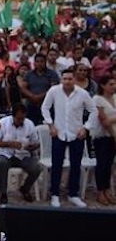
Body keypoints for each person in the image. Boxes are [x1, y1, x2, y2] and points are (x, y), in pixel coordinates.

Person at [41, 67, 97, 208]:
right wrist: (50, 125)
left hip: (76, 133)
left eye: (70, 79)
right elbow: (45, 107)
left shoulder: (82, 93)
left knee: (76, 165)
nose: (67, 81)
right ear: (61, 79)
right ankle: (55, 194)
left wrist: (86, 128)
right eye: (64, 79)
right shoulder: (54, 91)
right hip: (58, 133)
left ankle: (73, 194)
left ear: (74, 79)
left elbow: (93, 111)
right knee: (57, 165)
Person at [0, 104, 41, 204]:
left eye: (23, 118)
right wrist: (9, 144)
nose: (21, 121)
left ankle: (25, 189)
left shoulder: (29, 124)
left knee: (36, 168)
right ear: (13, 116)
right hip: (6, 154)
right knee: (1, 163)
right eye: (19, 119)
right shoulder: (3, 123)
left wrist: (31, 146)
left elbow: (36, 142)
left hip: (23, 155)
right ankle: (3, 193)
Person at [85, 76, 116, 205]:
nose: (114, 86)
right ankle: (100, 191)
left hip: (113, 135)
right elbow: (105, 121)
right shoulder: (97, 100)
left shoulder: (115, 98)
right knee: (102, 164)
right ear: (103, 86)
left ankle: (107, 189)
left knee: (109, 165)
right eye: (111, 84)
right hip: (103, 136)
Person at [19, 53, 59, 125]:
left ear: (45, 62)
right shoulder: (29, 74)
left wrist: (40, 96)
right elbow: (23, 87)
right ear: (34, 63)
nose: (39, 64)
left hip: (47, 103)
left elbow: (53, 88)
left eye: (42, 61)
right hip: (32, 103)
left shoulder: (52, 74)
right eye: (37, 61)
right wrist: (32, 96)